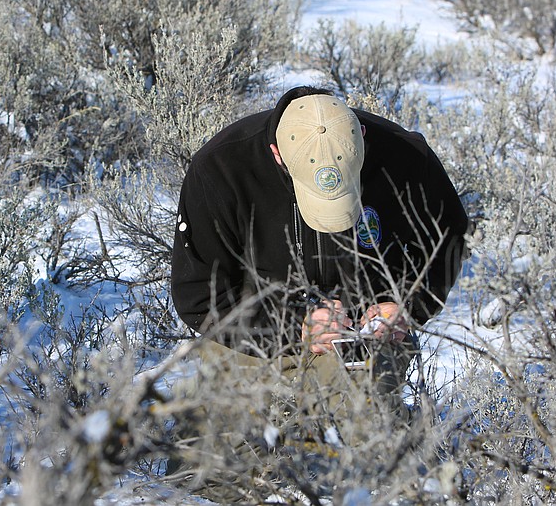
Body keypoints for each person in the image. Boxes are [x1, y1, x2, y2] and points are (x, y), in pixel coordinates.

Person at [167, 85, 470, 471]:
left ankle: (387, 430)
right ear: (278, 153)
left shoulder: (406, 156)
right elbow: (197, 296)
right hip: (254, 334)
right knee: (211, 472)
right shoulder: (221, 168)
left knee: (379, 457)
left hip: (361, 335)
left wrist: (406, 303)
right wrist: (293, 326)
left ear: (362, 137)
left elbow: (449, 241)